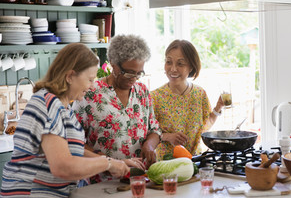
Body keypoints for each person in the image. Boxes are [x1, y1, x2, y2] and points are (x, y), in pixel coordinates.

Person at [0, 43, 129, 198]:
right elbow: (62, 167)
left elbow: (72, 150)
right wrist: (108, 164)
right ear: (69, 76)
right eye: (89, 79)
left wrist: (114, 163)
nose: (92, 86)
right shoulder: (48, 103)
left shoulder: (63, 107)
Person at [72, 34, 162, 184]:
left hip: (140, 179)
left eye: (139, 73)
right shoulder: (90, 93)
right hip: (102, 180)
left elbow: (154, 129)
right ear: (113, 64)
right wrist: (106, 161)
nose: (134, 78)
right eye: (128, 72)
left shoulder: (142, 92)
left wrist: (150, 144)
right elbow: (74, 141)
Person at [151, 39, 224, 160]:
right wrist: (167, 136)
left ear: (191, 67)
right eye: (169, 62)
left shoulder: (199, 94)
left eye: (180, 64)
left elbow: (205, 125)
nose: (173, 69)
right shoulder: (155, 97)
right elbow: (146, 134)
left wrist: (218, 108)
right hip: (167, 165)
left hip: (195, 161)